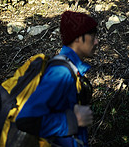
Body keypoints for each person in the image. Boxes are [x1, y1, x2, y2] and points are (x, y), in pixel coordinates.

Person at [16, 10, 98, 147]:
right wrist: (73, 121)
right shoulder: (60, 73)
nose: (96, 41)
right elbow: (26, 120)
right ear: (78, 38)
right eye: (92, 35)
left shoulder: (71, 69)